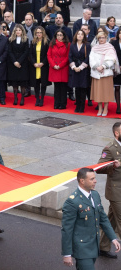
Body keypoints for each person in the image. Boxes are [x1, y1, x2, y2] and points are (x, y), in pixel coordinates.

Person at [61, 167, 120, 269]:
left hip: (94, 246)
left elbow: (103, 218)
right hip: (82, 249)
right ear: (82, 181)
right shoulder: (72, 202)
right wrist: (67, 254)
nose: (95, 181)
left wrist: (113, 238)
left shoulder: (95, 195)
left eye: (94, 178)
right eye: (92, 179)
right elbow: (67, 230)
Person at [97, 122, 121, 259]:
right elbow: (99, 167)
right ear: (117, 133)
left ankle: (103, 246)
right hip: (116, 191)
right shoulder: (110, 148)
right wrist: (112, 166)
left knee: (111, 220)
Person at [89, 31, 120, 117]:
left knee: (105, 92)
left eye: (103, 38)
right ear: (98, 39)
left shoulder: (110, 47)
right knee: (98, 92)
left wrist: (103, 66)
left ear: (106, 38)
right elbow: (91, 59)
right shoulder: (94, 48)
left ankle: (105, 108)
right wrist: (96, 67)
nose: (101, 39)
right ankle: (99, 108)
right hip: (96, 72)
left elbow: (111, 59)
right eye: (100, 38)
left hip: (106, 73)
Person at [68, 30, 91, 113]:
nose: (80, 36)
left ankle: (82, 107)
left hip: (83, 69)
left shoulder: (87, 45)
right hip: (75, 68)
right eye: (78, 34)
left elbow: (88, 57)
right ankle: (77, 106)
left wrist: (81, 67)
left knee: (83, 88)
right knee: (77, 88)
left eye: (82, 34)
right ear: (76, 35)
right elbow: (70, 56)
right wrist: (74, 67)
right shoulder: (72, 45)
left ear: (84, 36)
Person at [47, 29, 70, 110]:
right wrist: (53, 65)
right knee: (56, 87)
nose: (59, 37)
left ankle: (63, 104)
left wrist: (60, 65)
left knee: (63, 87)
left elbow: (67, 57)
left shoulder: (67, 44)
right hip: (54, 68)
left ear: (63, 36)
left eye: (61, 35)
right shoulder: (52, 44)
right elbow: (49, 55)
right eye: (58, 35)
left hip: (63, 68)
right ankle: (56, 103)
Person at [7, 24, 29, 106]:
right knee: (14, 82)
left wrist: (19, 62)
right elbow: (10, 51)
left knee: (22, 83)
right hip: (13, 64)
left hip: (22, 64)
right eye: (17, 30)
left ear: (22, 31)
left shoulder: (26, 40)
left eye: (19, 30)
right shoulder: (11, 40)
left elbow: (26, 52)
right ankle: (15, 97)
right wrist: (15, 62)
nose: (18, 32)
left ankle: (22, 98)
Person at [30, 26, 51, 107]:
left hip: (43, 66)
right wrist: (34, 63)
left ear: (43, 33)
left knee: (43, 83)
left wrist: (43, 63)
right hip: (35, 66)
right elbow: (30, 54)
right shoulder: (33, 42)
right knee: (36, 83)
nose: (38, 34)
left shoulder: (46, 42)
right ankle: (37, 99)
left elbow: (48, 54)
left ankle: (42, 98)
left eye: (40, 32)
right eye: (37, 32)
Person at [22, 12, 37, 98]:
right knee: (25, 72)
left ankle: (35, 89)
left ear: (32, 20)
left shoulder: (36, 29)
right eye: (26, 20)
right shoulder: (22, 28)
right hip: (24, 53)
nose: (28, 21)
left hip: (34, 53)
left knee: (33, 72)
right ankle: (27, 89)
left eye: (29, 20)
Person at [111, 29, 121, 114]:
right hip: (116, 68)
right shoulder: (114, 43)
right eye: (120, 33)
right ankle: (118, 107)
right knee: (117, 87)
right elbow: (111, 55)